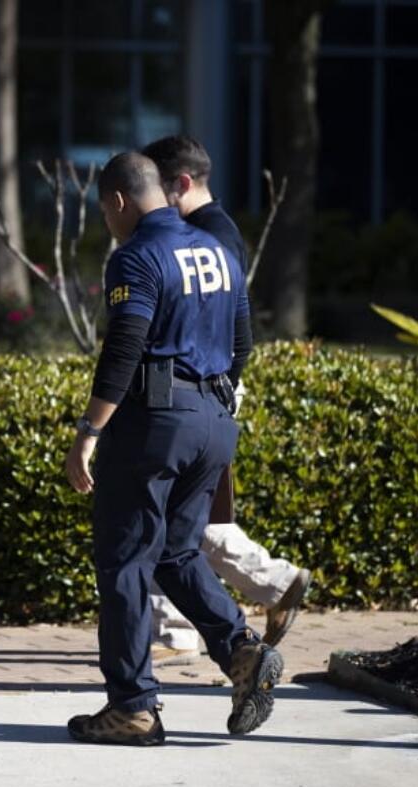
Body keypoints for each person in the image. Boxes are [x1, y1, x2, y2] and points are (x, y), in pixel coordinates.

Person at [64, 152, 283, 746]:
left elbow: (124, 346)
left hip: (155, 424)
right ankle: (241, 652)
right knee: (177, 552)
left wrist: (89, 431)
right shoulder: (217, 249)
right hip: (214, 421)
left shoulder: (136, 254)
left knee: (125, 560)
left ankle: (132, 706)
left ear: (117, 201)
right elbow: (242, 345)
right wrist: (205, 399)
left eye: (105, 210)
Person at [139, 135, 312, 664]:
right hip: (207, 390)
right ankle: (182, 625)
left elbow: (226, 333)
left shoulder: (206, 237)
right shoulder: (218, 233)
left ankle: (258, 589)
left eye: (154, 188)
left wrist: (215, 389)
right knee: (178, 512)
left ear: (182, 184)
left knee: (168, 511)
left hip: (195, 392)